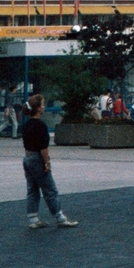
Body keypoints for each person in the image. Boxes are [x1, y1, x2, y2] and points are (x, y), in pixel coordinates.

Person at [19, 95, 79, 229]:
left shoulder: (26, 125)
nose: (44, 106)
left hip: (27, 158)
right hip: (37, 159)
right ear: (38, 108)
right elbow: (43, 147)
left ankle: (33, 218)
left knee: (33, 189)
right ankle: (60, 217)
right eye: (42, 104)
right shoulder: (40, 125)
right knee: (50, 189)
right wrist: (47, 162)